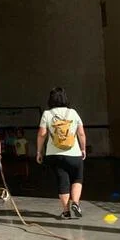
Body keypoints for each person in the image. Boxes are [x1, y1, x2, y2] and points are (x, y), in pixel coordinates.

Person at [36, 87, 86, 218]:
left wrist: (39, 151)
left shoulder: (47, 114)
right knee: (77, 178)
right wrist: (83, 149)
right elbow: (81, 133)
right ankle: (75, 203)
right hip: (74, 153)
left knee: (62, 181)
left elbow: (42, 134)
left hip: (54, 155)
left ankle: (66, 211)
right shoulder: (73, 112)